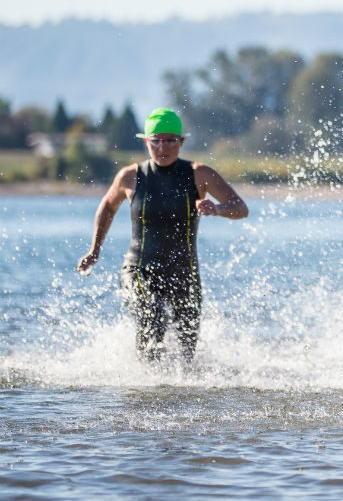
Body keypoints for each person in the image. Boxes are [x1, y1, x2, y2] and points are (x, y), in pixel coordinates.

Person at [77, 108, 248, 362]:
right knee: (152, 318)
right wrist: (95, 249)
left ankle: (176, 384)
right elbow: (107, 207)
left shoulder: (199, 174)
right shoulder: (130, 176)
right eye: (156, 141)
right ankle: (146, 380)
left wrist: (217, 209)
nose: (162, 147)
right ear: (146, 142)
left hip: (184, 272)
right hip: (138, 269)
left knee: (187, 348)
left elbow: (241, 208)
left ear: (182, 141)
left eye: (170, 140)